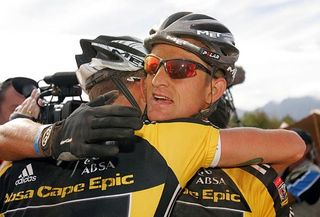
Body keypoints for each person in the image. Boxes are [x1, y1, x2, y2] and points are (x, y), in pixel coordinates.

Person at [0, 14, 305, 217]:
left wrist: (36, 131)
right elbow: (291, 146)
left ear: (214, 89)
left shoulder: (178, 140)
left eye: (178, 70)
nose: (158, 80)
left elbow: (292, 146)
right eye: (151, 67)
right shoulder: (171, 142)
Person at [282, 128, 320, 216]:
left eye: (291, 143)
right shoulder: (286, 168)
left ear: (306, 148)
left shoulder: (313, 172)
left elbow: (284, 199)